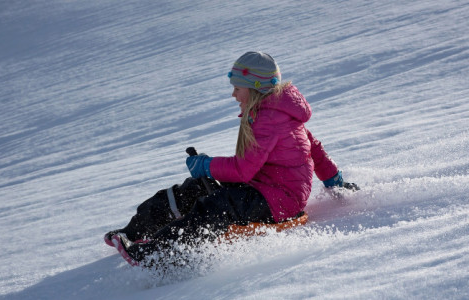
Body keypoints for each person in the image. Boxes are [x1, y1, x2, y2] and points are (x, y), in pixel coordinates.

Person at [104, 51, 358, 265]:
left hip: (279, 200)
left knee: (216, 204)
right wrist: (334, 180)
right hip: (264, 188)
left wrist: (206, 165)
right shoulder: (278, 112)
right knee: (194, 188)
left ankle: (157, 254)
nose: (233, 95)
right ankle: (134, 232)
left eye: (237, 88)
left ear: (256, 89)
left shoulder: (269, 119)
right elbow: (316, 150)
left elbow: (242, 171)